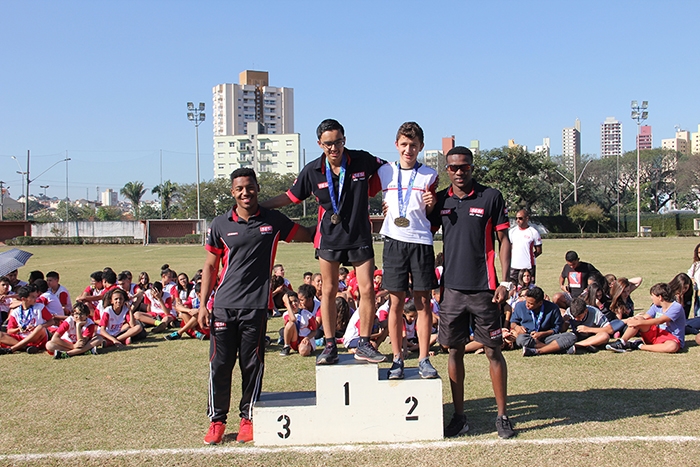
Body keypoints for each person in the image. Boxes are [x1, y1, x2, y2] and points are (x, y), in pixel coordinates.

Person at [197, 168, 313, 445]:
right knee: (220, 365)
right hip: (224, 306)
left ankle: (248, 417)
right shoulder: (220, 224)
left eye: (249, 187)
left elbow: (306, 234)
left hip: (255, 308)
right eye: (239, 189)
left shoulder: (272, 220)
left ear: (257, 188)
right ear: (232, 192)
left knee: (252, 364)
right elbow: (211, 265)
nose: (245, 193)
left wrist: (334, 216)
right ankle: (217, 421)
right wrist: (203, 304)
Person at [260, 118, 388, 366]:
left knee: (367, 289)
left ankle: (363, 343)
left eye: (338, 142)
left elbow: (390, 173)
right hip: (328, 237)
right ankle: (330, 345)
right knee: (328, 291)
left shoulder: (362, 160)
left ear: (345, 140)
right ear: (320, 144)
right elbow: (291, 197)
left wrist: (391, 198)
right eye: (328, 144)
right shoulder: (313, 170)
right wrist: (260, 206)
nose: (334, 148)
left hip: (359, 235)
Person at [429, 145, 516, 439]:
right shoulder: (440, 199)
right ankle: (459, 416)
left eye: (464, 167)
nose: (458, 172)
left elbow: (504, 240)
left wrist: (506, 282)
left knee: (493, 350)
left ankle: (502, 416)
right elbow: (422, 233)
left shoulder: (490, 196)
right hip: (451, 289)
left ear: (471, 167)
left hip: (485, 289)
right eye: (452, 167)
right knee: (453, 350)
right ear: (446, 169)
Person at [378, 121, 439, 380]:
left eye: (413, 145)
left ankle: (424, 359)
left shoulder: (430, 175)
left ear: (421, 147)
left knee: (423, 302)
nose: (408, 149)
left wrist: (433, 203)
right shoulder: (384, 172)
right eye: (404, 144)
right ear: (396, 145)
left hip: (422, 242)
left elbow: (434, 212)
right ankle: (397, 359)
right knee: (395, 303)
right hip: (393, 241)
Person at [607, 283, 685, 353]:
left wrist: (639, 323)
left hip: (671, 338)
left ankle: (638, 345)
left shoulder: (676, 307)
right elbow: (645, 317)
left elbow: (661, 320)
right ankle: (622, 342)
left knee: (672, 347)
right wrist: (634, 319)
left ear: (660, 297)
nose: (651, 298)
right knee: (638, 319)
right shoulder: (656, 306)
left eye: (652, 296)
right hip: (656, 333)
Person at [511, 287, 576, 356]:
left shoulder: (553, 308)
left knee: (571, 336)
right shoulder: (520, 306)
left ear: (540, 303)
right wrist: (517, 327)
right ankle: (556, 348)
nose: (527, 305)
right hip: (530, 337)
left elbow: (557, 328)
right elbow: (513, 322)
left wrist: (542, 334)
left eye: (531, 303)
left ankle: (538, 351)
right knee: (520, 339)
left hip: (548, 337)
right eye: (527, 301)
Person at [0, 284, 54, 354]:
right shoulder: (15, 312)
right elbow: (9, 331)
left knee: (40, 328)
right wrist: (19, 329)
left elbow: (51, 321)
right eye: (32, 297)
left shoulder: (40, 307)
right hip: (22, 336)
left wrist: (35, 327)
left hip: (37, 337)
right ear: (23, 299)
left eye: (36, 296)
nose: (36, 299)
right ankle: (26, 347)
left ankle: (12, 349)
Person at [279, 289, 317, 357]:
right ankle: (286, 346)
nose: (294, 304)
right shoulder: (286, 314)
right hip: (295, 339)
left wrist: (307, 338)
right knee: (290, 324)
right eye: (290, 302)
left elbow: (314, 331)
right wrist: (287, 304)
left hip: (305, 340)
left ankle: (304, 348)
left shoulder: (307, 314)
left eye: (295, 301)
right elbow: (293, 319)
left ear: (299, 301)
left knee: (303, 352)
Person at [508, 209, 542, 283]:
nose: (517, 220)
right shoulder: (512, 232)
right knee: (512, 288)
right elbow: (508, 248)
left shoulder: (533, 232)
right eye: (516, 218)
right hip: (514, 266)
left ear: (527, 218)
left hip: (528, 266)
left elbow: (539, 251)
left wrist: (529, 257)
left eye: (520, 218)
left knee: (528, 289)